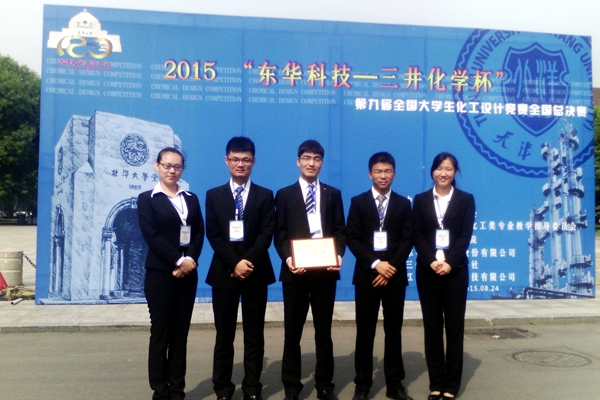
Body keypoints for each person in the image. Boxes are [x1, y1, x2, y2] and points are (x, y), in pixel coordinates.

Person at [205, 137, 276, 400]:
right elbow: (213, 234)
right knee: (224, 337)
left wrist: (246, 262)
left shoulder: (265, 195)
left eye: (246, 159)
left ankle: (252, 388)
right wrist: (234, 263)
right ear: (226, 161)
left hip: (255, 273)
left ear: (253, 161)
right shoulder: (214, 195)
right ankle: (223, 389)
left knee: (254, 336)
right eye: (235, 159)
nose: (240, 164)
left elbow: (266, 233)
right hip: (224, 273)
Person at [274, 139, 346, 400]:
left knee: (323, 333)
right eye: (306, 158)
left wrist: (338, 254)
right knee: (292, 333)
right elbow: (280, 233)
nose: (311, 163)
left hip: (325, 272)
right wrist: (288, 259)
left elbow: (340, 230)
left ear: (321, 163)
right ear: (298, 161)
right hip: (295, 273)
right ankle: (292, 387)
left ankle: (324, 386)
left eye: (316, 158)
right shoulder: (284, 194)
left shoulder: (332, 194)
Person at [137, 147, 204, 400]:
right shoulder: (147, 199)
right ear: (157, 166)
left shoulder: (191, 198)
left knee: (180, 335)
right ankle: (160, 390)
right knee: (161, 333)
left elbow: (198, 232)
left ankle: (177, 389)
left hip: (187, 275)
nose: (172, 170)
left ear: (182, 169)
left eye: (177, 166)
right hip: (160, 274)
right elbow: (151, 235)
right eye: (167, 165)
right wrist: (178, 260)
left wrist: (190, 260)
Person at [346, 152, 414, 400]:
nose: (383, 176)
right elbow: (352, 237)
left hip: (394, 277)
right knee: (365, 332)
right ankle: (362, 385)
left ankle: (395, 385)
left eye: (387, 171)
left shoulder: (403, 204)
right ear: (370, 174)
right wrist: (376, 264)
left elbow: (407, 238)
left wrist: (390, 267)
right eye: (378, 171)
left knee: (393, 332)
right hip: (367, 276)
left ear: (394, 173)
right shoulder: (358, 202)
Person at [412, 152, 475, 400]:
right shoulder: (420, 200)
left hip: (455, 272)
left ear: (455, 172)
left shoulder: (465, 199)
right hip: (427, 271)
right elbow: (417, 234)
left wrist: (449, 262)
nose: (443, 173)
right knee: (432, 328)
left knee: (454, 328)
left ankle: (451, 386)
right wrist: (431, 260)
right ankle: (436, 383)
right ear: (432, 172)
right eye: (439, 168)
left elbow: (465, 235)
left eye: (448, 169)